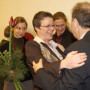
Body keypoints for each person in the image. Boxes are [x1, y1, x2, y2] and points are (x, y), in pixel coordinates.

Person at [33, 2, 90, 90]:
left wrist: (40, 71)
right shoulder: (32, 44)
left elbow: (64, 88)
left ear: (75, 22)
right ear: (37, 28)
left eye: (52, 26)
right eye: (48, 26)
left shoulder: (76, 49)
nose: (52, 29)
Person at [0, 16, 33, 90]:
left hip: (27, 82)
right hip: (10, 82)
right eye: (18, 28)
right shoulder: (4, 46)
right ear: (13, 28)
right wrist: (7, 71)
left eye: (24, 29)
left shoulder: (30, 44)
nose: (21, 31)